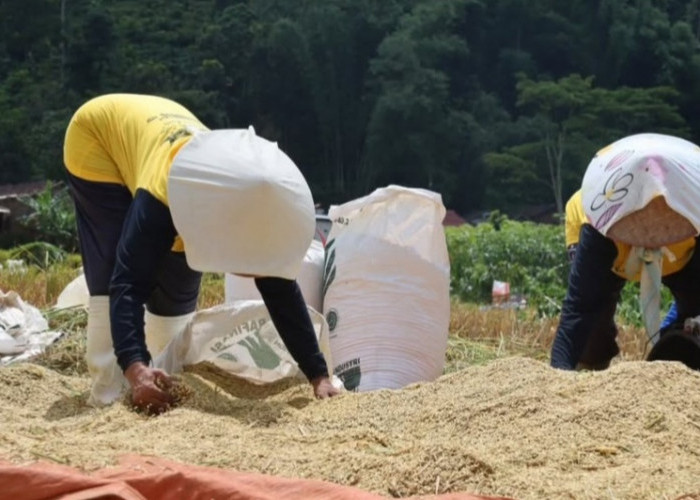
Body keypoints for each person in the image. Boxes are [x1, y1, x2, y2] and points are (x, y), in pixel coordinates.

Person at [64, 93, 341, 413]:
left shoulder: (246, 206)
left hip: (170, 135)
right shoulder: (163, 196)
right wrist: (135, 368)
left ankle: (160, 382)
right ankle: (109, 398)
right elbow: (127, 284)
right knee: (113, 269)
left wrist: (318, 376)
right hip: (98, 139)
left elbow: (280, 290)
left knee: (173, 307)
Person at [551, 133, 700, 371]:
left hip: (680, 255)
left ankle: (674, 358)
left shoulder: (695, 212)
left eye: (660, 226)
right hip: (609, 241)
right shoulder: (596, 228)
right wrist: (555, 381)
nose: (650, 235)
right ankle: (592, 366)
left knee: (695, 306)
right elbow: (577, 312)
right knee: (594, 324)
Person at [563, 189, 679, 367]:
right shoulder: (592, 224)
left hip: (668, 220)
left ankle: (670, 350)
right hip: (601, 226)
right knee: (594, 326)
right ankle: (591, 362)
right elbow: (578, 309)